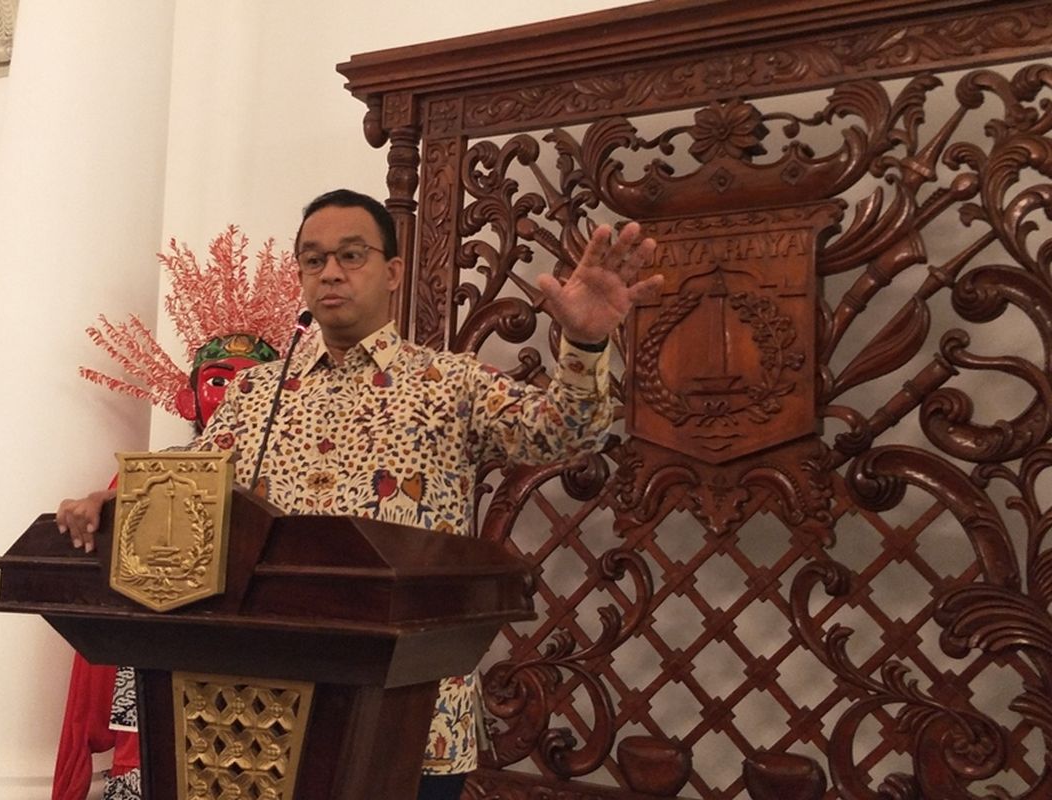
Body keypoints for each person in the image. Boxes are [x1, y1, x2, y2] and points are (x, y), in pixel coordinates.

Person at [57, 189, 661, 799]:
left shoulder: (449, 383)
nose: (332, 274)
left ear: (393, 272)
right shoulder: (255, 395)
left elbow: (564, 431)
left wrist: (584, 345)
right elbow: (195, 480)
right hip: (265, 715)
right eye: (314, 260)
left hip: (412, 715)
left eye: (351, 255)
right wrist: (122, 500)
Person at [55, 228, 303, 800]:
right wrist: (99, 502)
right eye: (218, 381)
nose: (232, 394)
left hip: (257, 653)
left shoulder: (291, 466)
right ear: (190, 395)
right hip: (163, 644)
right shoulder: (157, 468)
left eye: (249, 381)